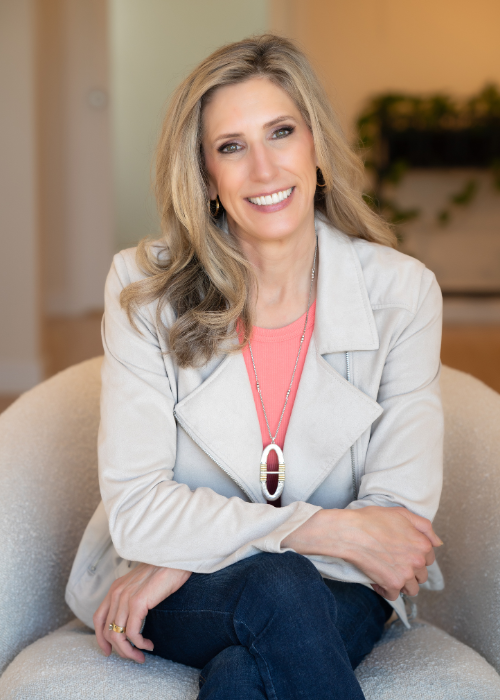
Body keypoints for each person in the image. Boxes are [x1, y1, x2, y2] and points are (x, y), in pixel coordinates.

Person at [82, 34, 444, 699]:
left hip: (342, 586)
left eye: (281, 132)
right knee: (278, 584)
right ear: (207, 177)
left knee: (244, 677)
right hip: (186, 594)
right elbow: (137, 510)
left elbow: (397, 525)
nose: (264, 168)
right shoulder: (144, 290)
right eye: (231, 146)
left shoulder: (402, 292)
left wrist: (190, 551)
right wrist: (326, 527)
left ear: (316, 147)